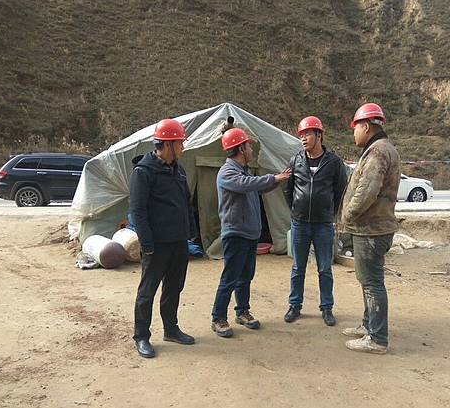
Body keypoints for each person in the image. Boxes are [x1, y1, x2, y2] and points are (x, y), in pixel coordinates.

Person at [211, 128, 292, 338]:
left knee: (245, 276)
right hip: (236, 233)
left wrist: (279, 180)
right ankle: (218, 318)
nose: (251, 150)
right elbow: (247, 184)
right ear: (240, 148)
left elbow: (257, 187)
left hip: (248, 234)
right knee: (230, 277)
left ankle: (242, 312)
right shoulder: (227, 172)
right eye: (248, 146)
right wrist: (273, 177)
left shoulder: (243, 173)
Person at [129, 118, 198, 358]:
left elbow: (186, 202)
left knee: (174, 287)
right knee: (147, 291)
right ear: (168, 144)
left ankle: (171, 329)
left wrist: (191, 231)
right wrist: (146, 243)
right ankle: (141, 336)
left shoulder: (179, 170)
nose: (183, 147)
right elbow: (138, 210)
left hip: (178, 241)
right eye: (180, 143)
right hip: (156, 245)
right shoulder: (143, 172)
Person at [340, 103, 401, 355]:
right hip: (374, 228)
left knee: (372, 283)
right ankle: (368, 325)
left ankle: (377, 339)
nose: (353, 134)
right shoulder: (384, 149)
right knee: (368, 281)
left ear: (366, 127)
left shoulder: (377, 152)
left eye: (355, 129)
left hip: (371, 230)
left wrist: (347, 216)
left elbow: (367, 191)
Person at [282, 116, 348, 326]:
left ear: (319, 135)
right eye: (301, 135)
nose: (303, 139)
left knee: (325, 269)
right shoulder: (296, 161)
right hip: (300, 223)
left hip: (323, 225)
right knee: (297, 268)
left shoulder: (333, 162)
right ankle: (295, 305)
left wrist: (330, 212)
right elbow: (287, 189)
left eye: (307, 134)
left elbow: (341, 190)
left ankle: (327, 308)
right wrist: (296, 209)